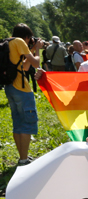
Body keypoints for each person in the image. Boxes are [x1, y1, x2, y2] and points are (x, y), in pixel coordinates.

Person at [5, 23, 43, 166]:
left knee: (18, 123)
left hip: (9, 87)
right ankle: (23, 160)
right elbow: (35, 64)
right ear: (26, 37)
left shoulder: (8, 43)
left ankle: (23, 157)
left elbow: (24, 67)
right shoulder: (20, 42)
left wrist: (31, 49)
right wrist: (37, 50)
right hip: (22, 89)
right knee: (26, 123)